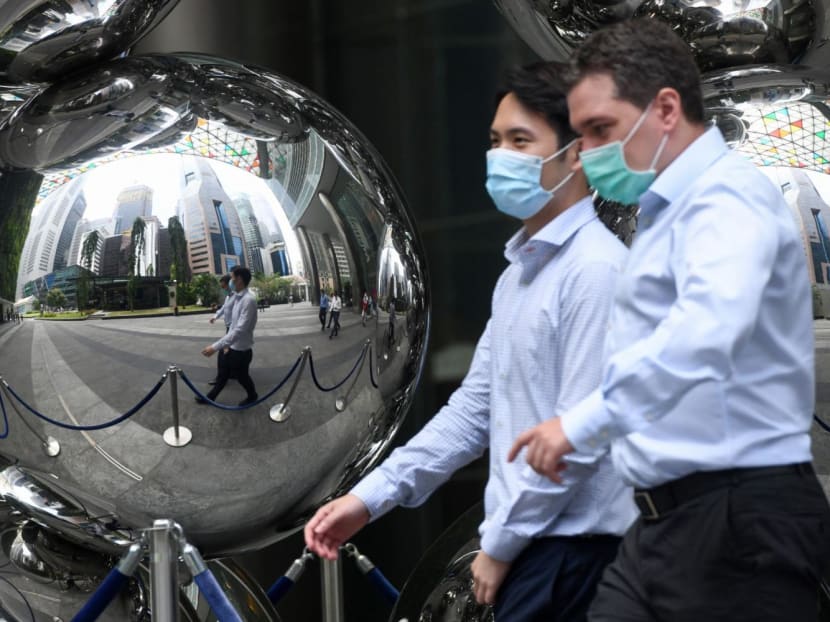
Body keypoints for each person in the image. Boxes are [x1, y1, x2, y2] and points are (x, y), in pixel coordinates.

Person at [507, 20, 830, 622]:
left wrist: (580, 424)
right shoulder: (664, 210)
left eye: (601, 129)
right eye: (581, 135)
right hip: (666, 522)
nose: (590, 153)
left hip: (737, 520)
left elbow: (702, 337)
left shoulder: (727, 197)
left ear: (664, 108)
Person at [304, 62, 635, 621]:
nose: (501, 156)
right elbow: (472, 413)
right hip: (534, 553)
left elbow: (576, 440)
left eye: (521, 140)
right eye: (495, 140)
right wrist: (370, 498)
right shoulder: (519, 276)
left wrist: (501, 545)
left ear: (576, 153)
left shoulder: (597, 271)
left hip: (580, 560)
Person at [197, 266, 259, 407]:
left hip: (241, 351)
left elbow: (240, 330)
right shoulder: (237, 298)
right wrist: (225, 345)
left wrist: (214, 347)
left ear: (239, 280)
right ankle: (210, 398)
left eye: (232, 278)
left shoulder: (248, 300)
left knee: (242, 377)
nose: (230, 281)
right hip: (232, 346)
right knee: (223, 374)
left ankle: (252, 395)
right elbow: (232, 325)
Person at [207, 275, 234, 386]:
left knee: (223, 354)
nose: (222, 288)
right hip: (229, 327)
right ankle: (233, 373)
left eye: (223, 286)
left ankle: (221, 378)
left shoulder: (236, 296)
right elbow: (224, 309)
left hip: (233, 329)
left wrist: (227, 339)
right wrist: (215, 317)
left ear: (229, 284)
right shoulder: (229, 296)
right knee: (232, 353)